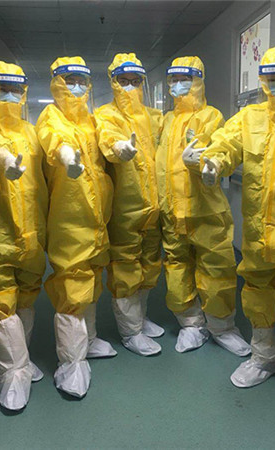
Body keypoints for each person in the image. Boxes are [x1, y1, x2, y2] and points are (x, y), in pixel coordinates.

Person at [201, 44, 275, 407]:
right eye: (272, 79)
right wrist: (213, 163)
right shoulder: (249, 118)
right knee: (257, 296)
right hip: (259, 235)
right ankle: (263, 358)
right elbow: (225, 144)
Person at [157, 56, 250, 355]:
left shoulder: (211, 116)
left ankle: (222, 327)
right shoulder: (166, 121)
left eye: (184, 79)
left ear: (198, 81)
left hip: (205, 209)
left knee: (217, 268)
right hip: (172, 211)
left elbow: (218, 149)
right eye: (173, 79)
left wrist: (205, 165)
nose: (178, 85)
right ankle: (190, 324)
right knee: (177, 267)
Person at [0, 61, 48, 410]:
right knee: (1, 303)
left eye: (16, 89)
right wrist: (2, 157)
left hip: (32, 233)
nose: (10, 96)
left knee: (26, 298)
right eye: (2, 89)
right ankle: (13, 373)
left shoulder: (31, 132)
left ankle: (17, 358)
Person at [35, 57, 117, 398]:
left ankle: (90, 339)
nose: (77, 87)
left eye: (82, 80)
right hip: (69, 220)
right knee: (71, 286)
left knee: (92, 280)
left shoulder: (90, 120)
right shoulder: (51, 115)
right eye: (69, 80)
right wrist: (67, 156)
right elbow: (53, 138)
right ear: (57, 83)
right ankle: (71, 362)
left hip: (96, 219)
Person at [94, 53, 165, 356]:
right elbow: (107, 137)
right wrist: (118, 147)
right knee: (125, 268)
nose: (130, 87)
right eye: (124, 81)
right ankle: (130, 332)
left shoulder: (154, 117)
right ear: (113, 82)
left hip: (154, 208)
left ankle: (141, 318)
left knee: (149, 265)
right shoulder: (106, 115)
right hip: (125, 209)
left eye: (136, 81)